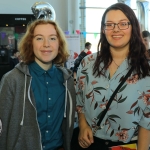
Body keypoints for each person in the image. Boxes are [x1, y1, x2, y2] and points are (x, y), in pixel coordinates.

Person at [71, 3, 150, 150]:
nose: (116, 29)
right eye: (110, 24)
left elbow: (147, 121)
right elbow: (80, 101)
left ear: (133, 27)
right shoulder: (87, 63)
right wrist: (82, 125)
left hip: (128, 145)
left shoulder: (146, 69)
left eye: (123, 24)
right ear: (103, 29)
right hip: (91, 143)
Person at [0, 19, 76, 150]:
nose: (46, 44)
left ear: (59, 44)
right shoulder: (12, 79)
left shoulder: (66, 79)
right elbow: (3, 126)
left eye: (52, 38)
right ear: (31, 43)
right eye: (39, 38)